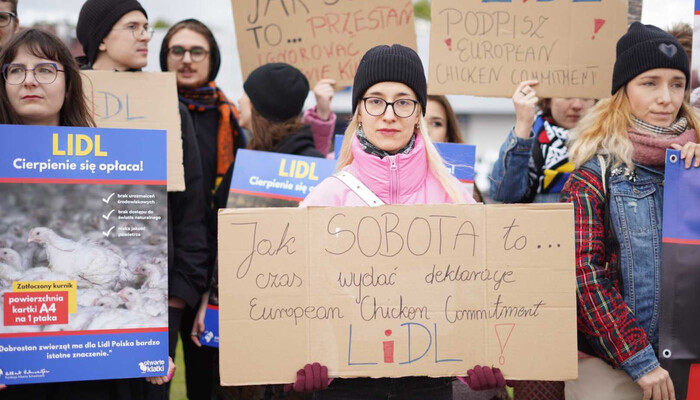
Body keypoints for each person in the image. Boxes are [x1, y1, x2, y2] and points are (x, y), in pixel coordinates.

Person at [296, 44, 504, 399]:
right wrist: (298, 357)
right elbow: (298, 296)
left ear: (418, 112)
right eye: (375, 100)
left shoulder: (455, 200)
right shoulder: (325, 199)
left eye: (403, 101)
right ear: (359, 111)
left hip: (430, 382)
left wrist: (487, 354)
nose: (389, 114)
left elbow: (483, 291)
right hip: (346, 385)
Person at [0, 28, 174, 399]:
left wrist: (145, 344)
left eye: (45, 69)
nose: (29, 79)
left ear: (69, 81)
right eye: (15, 70)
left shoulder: (113, 160)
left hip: (97, 376)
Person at [76, 0, 210, 395]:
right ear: (100, 38)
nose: (145, 36)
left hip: (153, 302)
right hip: (80, 299)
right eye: (133, 26)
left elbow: (191, 213)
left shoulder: (169, 107)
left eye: (147, 27)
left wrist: (176, 300)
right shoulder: (64, 99)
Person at [561, 22, 700, 400]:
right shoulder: (594, 176)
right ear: (623, 91)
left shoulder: (695, 167)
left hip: (692, 366)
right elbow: (583, 278)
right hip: (614, 371)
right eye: (650, 82)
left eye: (676, 83)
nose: (666, 97)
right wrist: (640, 361)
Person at [489, 83, 595, 205]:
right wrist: (523, 124)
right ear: (548, 100)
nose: (577, 105)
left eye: (586, 97)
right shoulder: (531, 139)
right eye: (567, 96)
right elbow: (503, 193)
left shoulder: (609, 143)